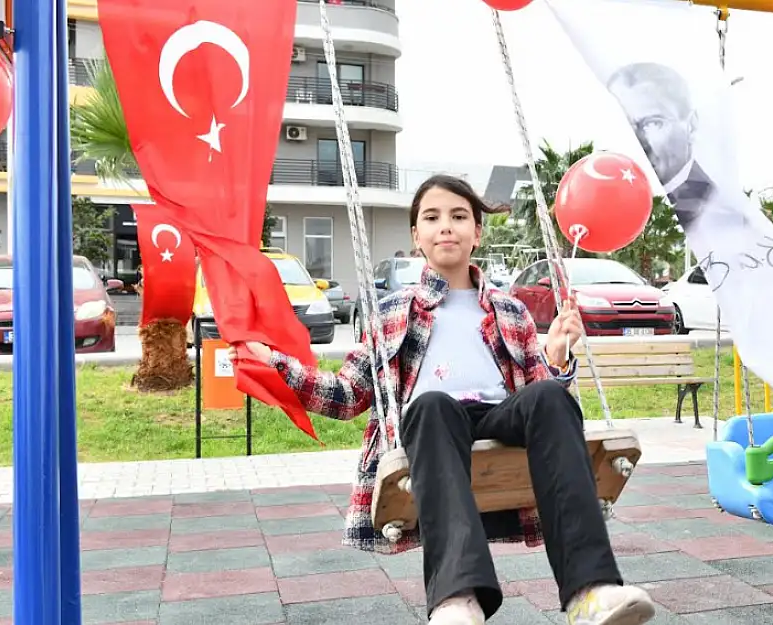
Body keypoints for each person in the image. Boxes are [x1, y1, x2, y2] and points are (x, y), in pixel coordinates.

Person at [228, 175, 655, 625]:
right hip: (433, 425)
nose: (445, 227)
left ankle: (590, 591)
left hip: (498, 418)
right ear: (416, 236)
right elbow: (348, 394)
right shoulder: (393, 310)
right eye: (431, 218)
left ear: (477, 232)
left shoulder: (512, 311)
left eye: (458, 216)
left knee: (549, 396)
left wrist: (555, 356)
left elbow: (542, 400)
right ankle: (456, 600)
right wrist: (277, 365)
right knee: (431, 404)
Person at [606, 62, 717, 232]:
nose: (638, 142)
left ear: (691, 124)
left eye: (652, 123)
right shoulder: (614, 209)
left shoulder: (716, 209)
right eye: (625, 126)